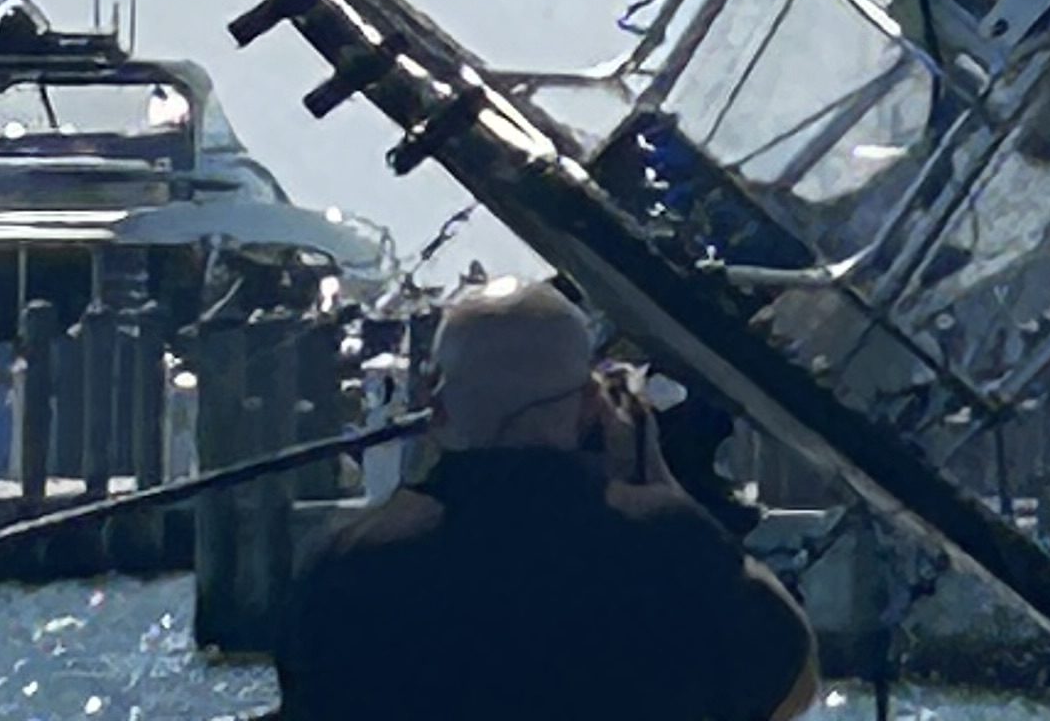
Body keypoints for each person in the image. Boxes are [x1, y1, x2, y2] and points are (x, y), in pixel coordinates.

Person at [275, 278, 816, 721]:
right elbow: (792, 685)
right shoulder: (670, 542)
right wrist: (661, 485)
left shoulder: (343, 563)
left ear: (433, 403)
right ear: (589, 406)